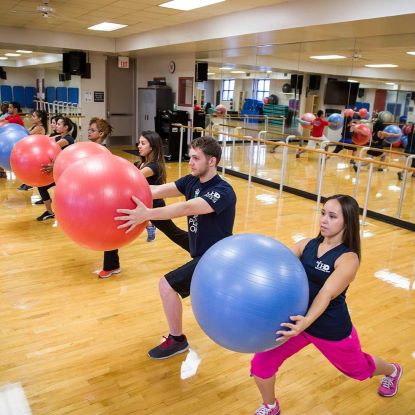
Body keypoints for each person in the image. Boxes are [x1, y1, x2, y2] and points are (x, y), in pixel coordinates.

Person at [250, 194, 402, 415]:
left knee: (358, 370)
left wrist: (306, 323)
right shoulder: (306, 245)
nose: (323, 220)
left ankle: (392, 370)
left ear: (347, 223)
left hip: (329, 327)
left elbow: (326, 293)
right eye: (323, 213)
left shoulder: (348, 259)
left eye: (332, 216)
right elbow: (277, 263)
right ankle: (270, 406)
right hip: (297, 321)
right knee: (261, 366)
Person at [115, 136, 237, 358]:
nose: (190, 162)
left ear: (212, 161)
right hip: (202, 254)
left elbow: (187, 208)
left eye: (196, 158)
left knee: (167, 285)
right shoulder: (191, 181)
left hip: (217, 257)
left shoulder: (223, 191)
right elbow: (157, 190)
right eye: (190, 156)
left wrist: (148, 214)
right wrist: (121, 190)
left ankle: (177, 339)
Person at [99, 129, 190, 279]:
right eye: (139, 143)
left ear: (152, 146)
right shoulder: (141, 163)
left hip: (153, 206)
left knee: (173, 232)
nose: (139, 146)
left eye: (143, 143)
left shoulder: (153, 167)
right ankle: (111, 265)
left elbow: (130, 177)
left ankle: (200, 250)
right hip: (140, 205)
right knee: (115, 227)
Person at [36, 116, 77, 221]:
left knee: (44, 187)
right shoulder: (59, 137)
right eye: (56, 124)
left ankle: (51, 212)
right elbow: (47, 139)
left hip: (66, 172)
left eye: (59, 124)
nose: (56, 126)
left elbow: (50, 146)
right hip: (59, 170)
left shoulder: (68, 139)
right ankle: (49, 210)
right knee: (42, 186)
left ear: (66, 127)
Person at [18, 110, 49, 191]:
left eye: (34, 116)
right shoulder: (34, 126)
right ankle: (27, 183)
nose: (32, 118)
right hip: (31, 151)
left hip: (36, 153)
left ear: (40, 119)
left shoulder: (39, 128)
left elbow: (26, 135)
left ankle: (29, 183)